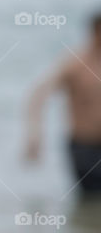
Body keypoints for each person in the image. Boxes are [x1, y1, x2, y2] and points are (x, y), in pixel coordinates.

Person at [26, 12, 101, 193]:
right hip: (84, 147)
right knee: (90, 199)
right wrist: (35, 134)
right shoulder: (75, 64)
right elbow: (38, 95)